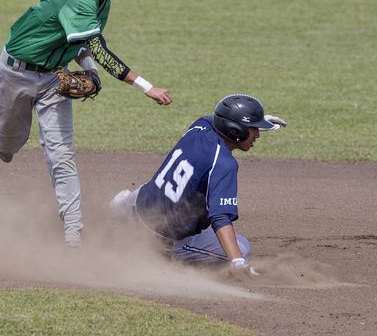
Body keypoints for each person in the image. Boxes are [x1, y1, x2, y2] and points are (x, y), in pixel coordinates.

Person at [0, 0, 172, 248]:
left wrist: (90, 74)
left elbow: (83, 44)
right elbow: (98, 49)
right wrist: (146, 86)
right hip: (16, 72)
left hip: (54, 78)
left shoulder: (103, 2)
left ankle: (73, 237)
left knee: (61, 155)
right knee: (7, 146)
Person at [109, 94, 286, 269]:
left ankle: (118, 212)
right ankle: (158, 258)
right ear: (236, 130)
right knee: (243, 248)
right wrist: (237, 262)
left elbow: (220, 118)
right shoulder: (224, 164)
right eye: (253, 128)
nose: (257, 135)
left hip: (138, 204)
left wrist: (258, 119)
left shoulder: (200, 126)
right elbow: (220, 217)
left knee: (149, 191)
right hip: (158, 238)